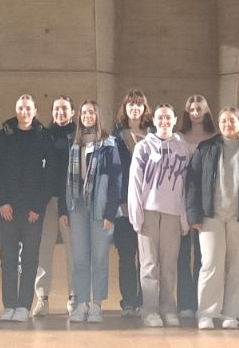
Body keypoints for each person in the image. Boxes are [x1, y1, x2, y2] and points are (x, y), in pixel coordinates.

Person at [186, 108, 239, 330]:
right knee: (210, 264)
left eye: (232, 120)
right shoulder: (206, 148)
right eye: (224, 120)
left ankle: (231, 314)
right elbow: (192, 182)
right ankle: (206, 313)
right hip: (211, 217)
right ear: (218, 124)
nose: (228, 124)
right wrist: (194, 213)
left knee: (237, 267)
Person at [0, 94, 56, 322]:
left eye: (28, 108)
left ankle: (24, 306)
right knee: (7, 257)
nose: (24, 112)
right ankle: (9, 305)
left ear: (35, 111)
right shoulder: (3, 136)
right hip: (7, 208)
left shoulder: (44, 137)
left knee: (30, 258)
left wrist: (38, 206)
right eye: (20, 108)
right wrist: (1, 202)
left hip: (33, 210)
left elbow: (49, 176)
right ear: (15, 110)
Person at [127, 102, 192, 327]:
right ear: (154, 121)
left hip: (173, 214)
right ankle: (150, 309)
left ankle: (168, 307)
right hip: (148, 213)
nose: (164, 121)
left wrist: (184, 217)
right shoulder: (143, 147)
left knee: (169, 265)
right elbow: (135, 183)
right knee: (149, 264)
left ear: (175, 121)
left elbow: (186, 186)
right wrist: (136, 215)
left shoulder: (183, 148)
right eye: (160, 118)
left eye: (168, 118)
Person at [60, 100, 124, 324]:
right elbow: (65, 180)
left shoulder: (109, 144)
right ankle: (81, 304)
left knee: (99, 258)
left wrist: (110, 213)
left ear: (98, 116)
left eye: (91, 112)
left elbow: (116, 180)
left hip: (100, 208)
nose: (87, 116)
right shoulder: (74, 143)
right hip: (77, 207)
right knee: (79, 258)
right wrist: (64, 209)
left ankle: (97, 305)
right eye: (84, 112)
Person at [33, 96, 77, 317]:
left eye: (64, 108)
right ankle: (42, 298)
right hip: (48, 200)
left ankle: (74, 297)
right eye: (57, 109)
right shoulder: (44, 135)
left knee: (73, 251)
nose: (60, 112)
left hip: (71, 200)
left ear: (72, 112)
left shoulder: (78, 135)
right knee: (44, 249)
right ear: (52, 112)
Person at [109, 91, 150, 316]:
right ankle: (128, 302)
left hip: (150, 206)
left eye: (139, 104)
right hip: (124, 207)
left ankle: (145, 301)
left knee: (147, 258)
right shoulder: (115, 137)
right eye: (131, 105)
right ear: (124, 109)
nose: (135, 108)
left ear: (145, 108)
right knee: (126, 256)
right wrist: (119, 202)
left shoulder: (154, 136)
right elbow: (114, 173)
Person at [176, 94, 215, 320]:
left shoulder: (215, 138)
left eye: (199, 108)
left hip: (206, 204)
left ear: (206, 111)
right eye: (191, 109)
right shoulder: (178, 137)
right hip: (180, 202)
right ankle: (185, 303)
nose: (195, 112)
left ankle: (203, 302)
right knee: (183, 256)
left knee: (204, 257)